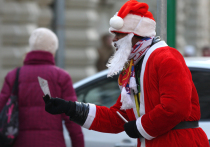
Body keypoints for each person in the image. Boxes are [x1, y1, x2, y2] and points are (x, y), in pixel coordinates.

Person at [42, 1, 209, 147]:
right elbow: (119, 118)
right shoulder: (135, 65)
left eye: (118, 34)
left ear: (134, 36)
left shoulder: (166, 57)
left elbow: (175, 108)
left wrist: (139, 127)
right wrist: (72, 108)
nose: (114, 40)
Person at [0, 28, 84, 147]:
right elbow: (72, 117)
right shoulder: (61, 76)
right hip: (53, 142)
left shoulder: (13, 76)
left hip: (20, 142)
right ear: (53, 50)